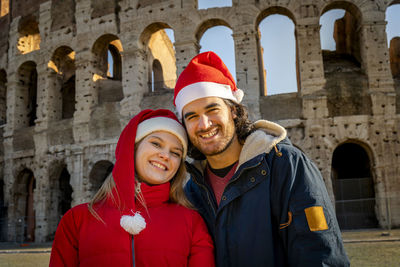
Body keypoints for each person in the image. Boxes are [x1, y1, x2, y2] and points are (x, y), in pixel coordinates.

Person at [173, 51, 350, 267]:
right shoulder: (192, 190)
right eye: (191, 116)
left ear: (234, 111)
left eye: (212, 110)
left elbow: (321, 255)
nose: (204, 124)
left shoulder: (287, 165)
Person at [49, 109, 215, 267]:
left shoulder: (192, 223)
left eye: (176, 153)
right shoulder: (76, 220)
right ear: (132, 148)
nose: (165, 155)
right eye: (156, 143)